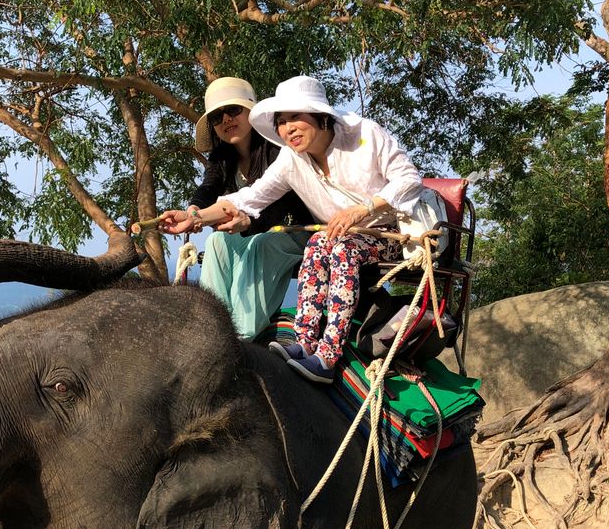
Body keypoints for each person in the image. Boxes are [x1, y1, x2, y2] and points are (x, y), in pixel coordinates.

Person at [181, 75, 432, 384]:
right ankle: (303, 342)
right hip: (336, 235)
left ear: (319, 115)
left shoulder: (365, 135)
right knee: (316, 244)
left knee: (342, 249)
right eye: (281, 122)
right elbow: (250, 197)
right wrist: (195, 217)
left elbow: (409, 179)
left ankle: (327, 357)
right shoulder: (291, 158)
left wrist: (364, 209)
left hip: (389, 233)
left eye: (295, 116)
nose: (288, 128)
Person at [158, 77, 313, 339]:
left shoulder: (277, 150)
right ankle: (210, 327)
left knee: (261, 243)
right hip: (254, 232)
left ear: (251, 110)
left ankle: (241, 335)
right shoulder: (222, 158)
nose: (226, 119)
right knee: (217, 240)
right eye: (217, 117)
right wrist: (192, 213)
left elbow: (277, 207)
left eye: (233, 110)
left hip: (295, 233)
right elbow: (207, 189)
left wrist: (247, 223)